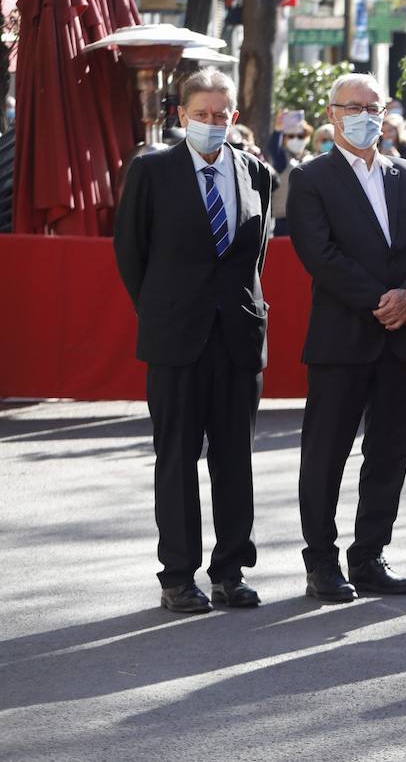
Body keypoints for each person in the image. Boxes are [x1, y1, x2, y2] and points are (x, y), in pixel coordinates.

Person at [112, 68, 273, 613]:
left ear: (234, 116)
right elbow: (131, 254)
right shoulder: (152, 170)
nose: (211, 123)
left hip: (238, 337)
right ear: (181, 116)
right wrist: (165, 310)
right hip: (176, 338)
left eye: (220, 115)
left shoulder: (256, 171)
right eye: (200, 114)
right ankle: (178, 575)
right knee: (176, 457)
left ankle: (231, 570)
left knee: (235, 458)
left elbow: (255, 256)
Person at [287, 73, 406, 602]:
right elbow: (318, 252)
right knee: (326, 454)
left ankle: (370, 555)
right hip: (342, 337)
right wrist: (383, 300)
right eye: (353, 106)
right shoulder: (311, 177)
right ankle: (322, 562)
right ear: (332, 114)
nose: (365, 115)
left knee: (389, 453)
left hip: (402, 337)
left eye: (373, 106)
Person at [271, 121, 314, 237]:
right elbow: (273, 148)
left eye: (300, 136)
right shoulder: (282, 159)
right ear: (284, 139)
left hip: (310, 219)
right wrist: (278, 130)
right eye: (291, 136)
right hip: (285, 221)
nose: (296, 139)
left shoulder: (311, 158)